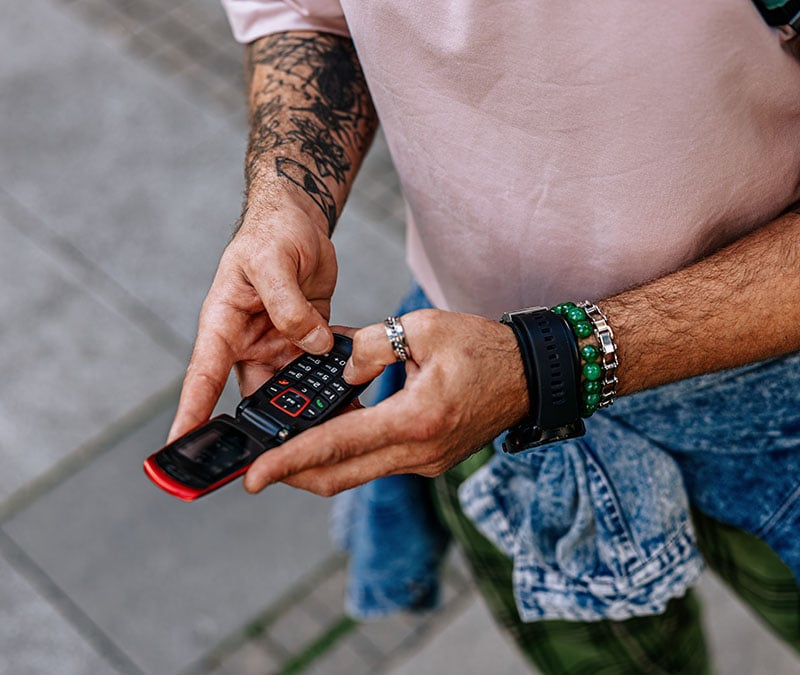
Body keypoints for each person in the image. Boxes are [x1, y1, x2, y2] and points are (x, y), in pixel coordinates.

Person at [168, 1, 800, 672]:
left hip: (769, 400)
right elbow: (311, 15)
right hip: (490, 401)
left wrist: (544, 361)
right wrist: (285, 198)